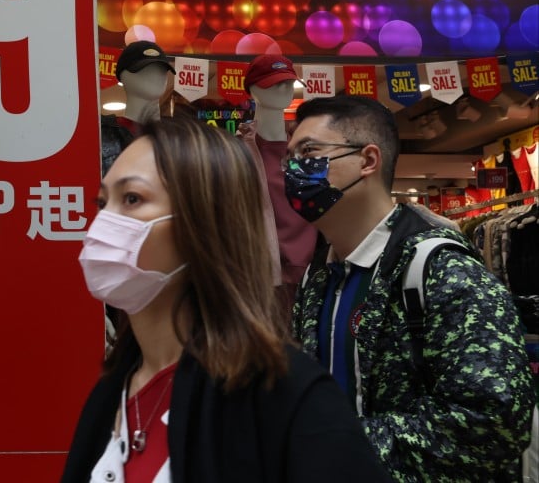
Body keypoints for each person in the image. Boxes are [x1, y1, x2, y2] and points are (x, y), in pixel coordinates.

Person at [64, 115, 390, 482]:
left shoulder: (284, 396)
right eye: (102, 202)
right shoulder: (111, 393)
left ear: (205, 221)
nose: (105, 223)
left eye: (132, 199)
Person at [286, 95, 533, 482]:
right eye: (291, 157)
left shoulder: (443, 270)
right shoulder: (319, 273)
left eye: (309, 151)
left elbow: (492, 423)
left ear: (368, 161)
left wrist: (335, 444)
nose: (294, 169)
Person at [238, 55, 319, 321]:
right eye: (273, 84)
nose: (283, 90)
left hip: (311, 279)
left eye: (287, 83)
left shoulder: (306, 151)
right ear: (252, 90)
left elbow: (320, 211)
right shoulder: (236, 153)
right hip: (258, 283)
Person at [101, 40, 176, 175]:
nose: (156, 75)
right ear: (123, 76)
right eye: (144, 69)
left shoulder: (178, 138)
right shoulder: (104, 135)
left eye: (161, 70)